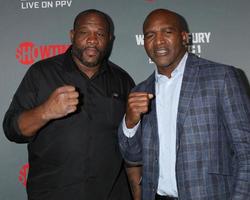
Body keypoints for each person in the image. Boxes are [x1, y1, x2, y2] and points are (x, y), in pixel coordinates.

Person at [118, 8, 250, 200]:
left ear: (184, 37)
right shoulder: (140, 91)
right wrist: (130, 123)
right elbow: (133, 157)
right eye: (150, 35)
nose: (159, 41)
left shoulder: (221, 77)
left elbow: (246, 151)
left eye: (167, 32)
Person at [3, 9, 134, 200]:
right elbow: (12, 130)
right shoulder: (41, 74)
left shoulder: (122, 80)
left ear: (110, 39)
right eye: (84, 32)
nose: (92, 39)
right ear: (72, 35)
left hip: (111, 194)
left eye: (100, 34)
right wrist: (45, 112)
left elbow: (132, 145)